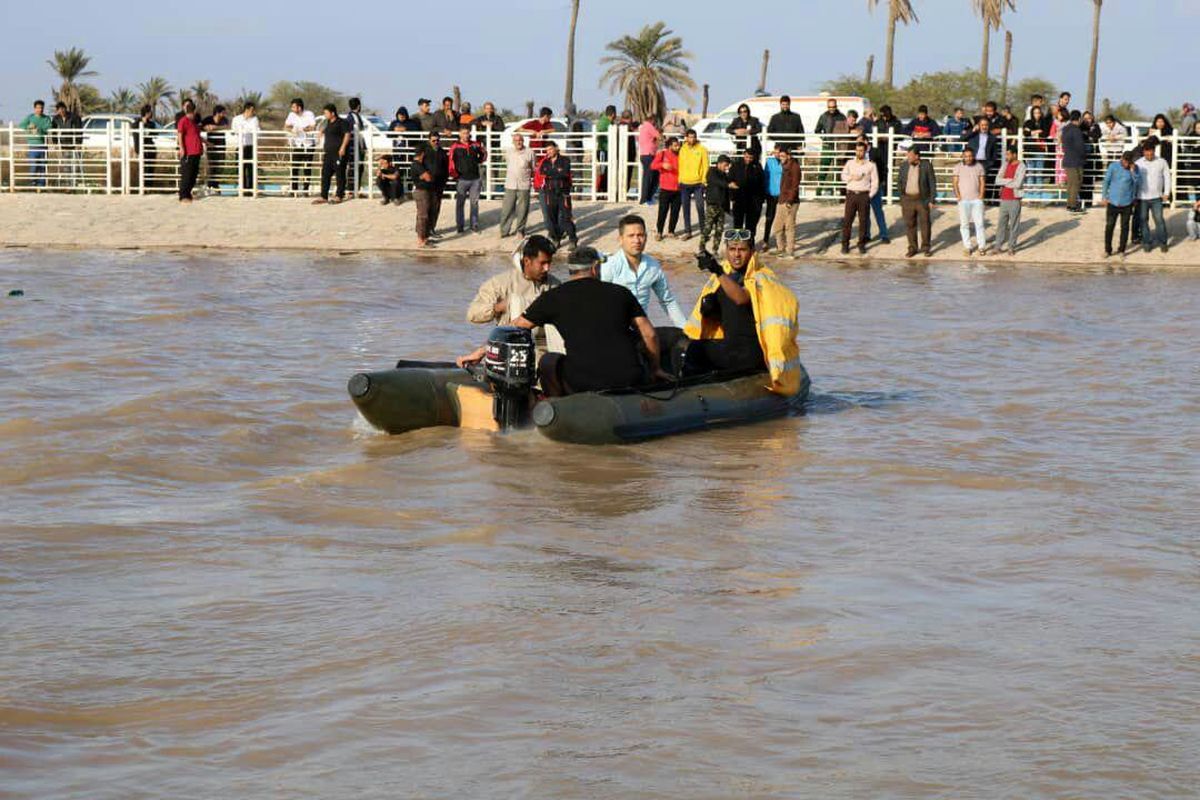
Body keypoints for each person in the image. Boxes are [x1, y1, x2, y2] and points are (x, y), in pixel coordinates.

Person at [459, 247, 667, 397]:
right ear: (595, 268)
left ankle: (557, 406)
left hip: (583, 382)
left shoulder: (553, 297)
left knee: (549, 361)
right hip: (629, 377)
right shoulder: (621, 293)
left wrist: (478, 354)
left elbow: (514, 330)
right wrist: (655, 368)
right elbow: (649, 334)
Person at [683, 233, 803, 398]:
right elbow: (718, 313)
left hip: (750, 352)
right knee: (693, 345)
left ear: (752, 252)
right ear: (726, 251)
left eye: (742, 250)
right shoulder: (724, 277)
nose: (736, 255)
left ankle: (691, 395)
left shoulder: (759, 278)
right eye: (732, 249)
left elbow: (740, 298)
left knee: (695, 350)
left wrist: (716, 269)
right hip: (732, 347)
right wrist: (709, 306)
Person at [467, 234, 563, 359]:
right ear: (527, 261)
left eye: (549, 263)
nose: (547, 268)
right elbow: (473, 314)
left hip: (546, 352)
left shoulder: (555, 285)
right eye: (543, 263)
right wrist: (498, 307)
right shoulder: (500, 283)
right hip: (509, 350)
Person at [600, 214, 689, 328]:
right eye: (631, 236)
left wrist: (685, 329)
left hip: (643, 330)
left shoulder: (653, 266)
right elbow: (598, 302)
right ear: (620, 239)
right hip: (615, 329)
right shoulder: (609, 266)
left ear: (646, 237)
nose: (637, 240)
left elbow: (667, 301)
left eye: (640, 235)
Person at [537, 141, 577, 251]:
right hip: (550, 193)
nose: (548, 152)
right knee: (551, 219)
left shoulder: (565, 160)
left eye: (550, 149)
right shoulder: (545, 162)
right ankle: (556, 239)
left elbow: (564, 173)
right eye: (547, 150)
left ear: (556, 148)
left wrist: (551, 173)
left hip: (563, 193)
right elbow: (542, 172)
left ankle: (573, 239)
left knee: (566, 218)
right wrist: (556, 172)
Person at [897, 146, 936, 257]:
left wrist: (932, 199)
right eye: (907, 155)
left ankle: (926, 247)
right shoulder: (904, 165)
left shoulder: (926, 165)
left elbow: (932, 183)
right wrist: (902, 197)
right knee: (910, 225)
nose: (908, 157)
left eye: (910, 155)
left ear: (917, 156)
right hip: (907, 199)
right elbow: (899, 181)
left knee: (925, 224)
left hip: (922, 199)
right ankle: (912, 248)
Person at [840, 140, 878, 254]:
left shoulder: (871, 165)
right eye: (857, 150)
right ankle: (845, 245)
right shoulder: (850, 163)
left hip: (863, 195)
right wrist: (851, 177)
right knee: (847, 221)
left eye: (861, 151)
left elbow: (875, 182)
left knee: (863, 222)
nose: (859, 153)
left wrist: (869, 195)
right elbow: (843, 176)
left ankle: (861, 244)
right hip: (851, 194)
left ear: (865, 151)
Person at [411, 131, 448, 245]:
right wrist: (425, 174)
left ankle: (428, 232)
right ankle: (422, 238)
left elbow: (445, 168)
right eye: (433, 140)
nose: (436, 142)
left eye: (437, 140)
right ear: (429, 140)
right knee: (424, 213)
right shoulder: (423, 153)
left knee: (433, 210)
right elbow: (418, 168)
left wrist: (444, 181)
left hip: (437, 186)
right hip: (424, 188)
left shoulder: (442, 152)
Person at [1100, 151, 1140, 257]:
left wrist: (1132, 171)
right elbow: (1106, 181)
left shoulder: (1135, 168)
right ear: (1122, 159)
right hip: (1113, 201)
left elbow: (1137, 182)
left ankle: (1122, 250)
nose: (1126, 164)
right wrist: (1104, 196)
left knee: (1125, 227)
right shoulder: (1113, 166)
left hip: (1127, 202)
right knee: (1109, 226)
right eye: (1124, 161)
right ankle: (1107, 250)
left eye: (1128, 162)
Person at [1135, 140, 1171, 253]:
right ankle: (1146, 242)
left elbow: (1167, 178)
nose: (1149, 156)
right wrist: (1134, 195)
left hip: (1157, 197)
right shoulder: (1138, 163)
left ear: (1154, 151)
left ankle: (1163, 242)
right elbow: (1134, 180)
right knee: (1143, 220)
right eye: (1147, 154)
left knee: (1159, 220)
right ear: (1143, 152)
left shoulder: (1162, 162)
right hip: (1142, 197)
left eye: (1151, 154)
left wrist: (1166, 193)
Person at [449, 126, 486, 234]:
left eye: (467, 133)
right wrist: (455, 175)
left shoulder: (475, 144)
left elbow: (484, 154)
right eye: (464, 133)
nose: (466, 135)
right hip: (462, 179)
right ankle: (460, 226)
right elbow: (451, 162)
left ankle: (474, 225)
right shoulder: (455, 146)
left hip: (475, 179)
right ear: (460, 134)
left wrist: (479, 160)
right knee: (460, 203)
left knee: (474, 203)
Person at [992, 144, 1027, 256]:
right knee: (1001, 224)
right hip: (1004, 198)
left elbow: (1018, 183)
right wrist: (1010, 180)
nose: (1006, 156)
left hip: (1015, 199)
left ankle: (1011, 247)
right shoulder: (1005, 165)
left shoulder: (1022, 166)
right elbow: (997, 180)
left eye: (1008, 154)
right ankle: (998, 246)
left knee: (1014, 225)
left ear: (1014, 154)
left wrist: (1005, 181)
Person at [952, 147, 988, 255]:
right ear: (963, 156)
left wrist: (981, 196)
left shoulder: (979, 166)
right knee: (964, 225)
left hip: (976, 200)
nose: (968, 158)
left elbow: (982, 182)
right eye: (966, 156)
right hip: (964, 200)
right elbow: (955, 182)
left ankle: (981, 247)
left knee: (979, 224)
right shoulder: (958, 167)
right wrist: (958, 196)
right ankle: (967, 247)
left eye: (970, 156)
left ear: (973, 156)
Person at [499, 133, 535, 238]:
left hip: (524, 184)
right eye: (516, 140)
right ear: (513, 142)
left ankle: (520, 230)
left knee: (523, 209)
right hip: (510, 184)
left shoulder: (530, 152)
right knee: (507, 208)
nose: (518, 142)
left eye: (520, 140)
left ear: (523, 141)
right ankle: (504, 231)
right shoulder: (509, 152)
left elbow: (533, 168)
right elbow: (508, 164)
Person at [315, 103, 351, 205]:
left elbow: (347, 134)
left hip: (338, 153)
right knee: (325, 174)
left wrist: (343, 147)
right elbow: (326, 131)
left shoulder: (342, 122)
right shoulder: (328, 123)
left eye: (326, 113)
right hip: (328, 153)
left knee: (340, 174)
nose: (325, 115)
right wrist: (321, 132)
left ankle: (339, 195)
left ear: (333, 113)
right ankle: (323, 196)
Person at [677, 129, 710, 241]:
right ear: (686, 138)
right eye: (690, 137)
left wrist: (704, 181)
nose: (692, 139)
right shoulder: (682, 149)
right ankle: (688, 232)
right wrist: (680, 179)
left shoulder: (702, 149)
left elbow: (706, 166)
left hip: (698, 184)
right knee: (686, 209)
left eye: (694, 137)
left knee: (700, 207)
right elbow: (680, 165)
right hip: (684, 184)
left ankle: (703, 231)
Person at [771, 144, 802, 258]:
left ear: (789, 156)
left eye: (783, 156)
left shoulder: (794, 167)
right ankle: (780, 248)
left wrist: (790, 200)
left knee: (789, 226)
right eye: (780, 156)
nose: (781, 158)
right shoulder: (785, 165)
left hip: (790, 201)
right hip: (782, 199)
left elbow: (795, 185)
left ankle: (790, 251)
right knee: (777, 226)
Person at [730, 147, 765, 246]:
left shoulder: (757, 166)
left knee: (751, 225)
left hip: (753, 201)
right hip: (739, 199)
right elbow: (730, 181)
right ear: (743, 155)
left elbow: (762, 184)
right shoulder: (736, 165)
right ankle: (737, 244)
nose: (748, 159)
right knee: (737, 224)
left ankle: (750, 245)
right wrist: (732, 198)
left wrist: (760, 200)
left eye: (750, 157)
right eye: (746, 157)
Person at [700, 155, 735, 254]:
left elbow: (727, 190)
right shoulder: (712, 171)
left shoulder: (725, 175)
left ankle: (715, 249)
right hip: (712, 204)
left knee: (719, 229)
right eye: (725, 165)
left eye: (728, 166)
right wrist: (728, 184)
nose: (726, 167)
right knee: (708, 228)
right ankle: (702, 248)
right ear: (719, 163)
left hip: (721, 206)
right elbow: (717, 182)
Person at [962, 116, 1001, 202]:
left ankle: (980, 201)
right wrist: (972, 130)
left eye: (986, 125)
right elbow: (962, 138)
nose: (984, 127)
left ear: (988, 126)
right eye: (982, 125)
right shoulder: (973, 135)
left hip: (985, 163)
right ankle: (970, 200)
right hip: (972, 161)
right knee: (971, 182)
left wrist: (990, 163)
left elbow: (994, 153)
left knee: (982, 183)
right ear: (979, 125)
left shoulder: (992, 138)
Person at [650, 136, 682, 239]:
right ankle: (659, 232)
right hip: (665, 188)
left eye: (678, 145)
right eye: (675, 145)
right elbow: (652, 166)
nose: (678, 147)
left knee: (675, 211)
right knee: (663, 211)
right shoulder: (662, 154)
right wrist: (662, 165)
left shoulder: (681, 155)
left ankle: (671, 231)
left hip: (679, 188)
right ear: (669, 146)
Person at [860, 134, 890, 245]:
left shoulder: (876, 152)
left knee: (878, 211)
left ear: (866, 141)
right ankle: (867, 235)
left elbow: (883, 167)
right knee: (865, 212)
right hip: (863, 186)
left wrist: (881, 181)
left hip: (875, 185)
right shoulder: (859, 153)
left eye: (861, 142)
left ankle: (884, 235)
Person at [815, 98, 848, 195]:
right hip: (827, 146)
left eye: (833, 107)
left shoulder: (842, 117)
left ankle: (839, 192)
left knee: (838, 169)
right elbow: (817, 130)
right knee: (823, 168)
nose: (831, 109)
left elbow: (846, 130)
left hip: (839, 146)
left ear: (836, 106)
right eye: (830, 107)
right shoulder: (823, 116)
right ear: (827, 107)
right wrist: (824, 139)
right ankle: (819, 192)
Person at [285, 98, 317, 195]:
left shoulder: (309, 114)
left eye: (294, 107)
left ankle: (305, 190)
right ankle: (294, 190)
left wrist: (303, 129)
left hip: (308, 144)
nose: (292, 109)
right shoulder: (291, 115)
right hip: (297, 143)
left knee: (307, 168)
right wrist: (293, 129)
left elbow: (313, 126)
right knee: (294, 167)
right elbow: (286, 126)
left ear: (299, 107)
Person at [175, 99, 204, 202]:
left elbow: (197, 136)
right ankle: (183, 196)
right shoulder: (183, 121)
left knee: (193, 175)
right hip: (188, 153)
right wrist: (182, 148)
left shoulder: (194, 123)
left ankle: (188, 194)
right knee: (187, 175)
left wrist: (206, 143)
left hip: (197, 152)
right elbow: (180, 134)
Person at [49, 101, 82, 188]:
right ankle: (69, 183)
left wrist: (78, 143)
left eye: (63, 109)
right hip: (64, 143)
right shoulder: (56, 118)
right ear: (57, 111)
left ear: (65, 109)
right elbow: (54, 131)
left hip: (74, 143)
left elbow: (79, 130)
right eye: (59, 110)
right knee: (66, 164)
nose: (61, 111)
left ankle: (75, 182)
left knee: (75, 164)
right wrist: (55, 142)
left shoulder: (74, 117)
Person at [19, 100, 52, 188]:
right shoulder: (30, 117)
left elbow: (49, 127)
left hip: (43, 144)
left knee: (43, 165)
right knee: (33, 165)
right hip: (33, 145)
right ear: (34, 108)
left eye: (41, 108)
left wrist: (39, 129)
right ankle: (33, 182)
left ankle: (41, 184)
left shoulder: (46, 118)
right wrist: (29, 127)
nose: (40, 109)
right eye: (38, 108)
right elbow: (21, 125)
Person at [230, 102, 260, 193]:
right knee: (240, 168)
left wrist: (247, 131)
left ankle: (250, 189)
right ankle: (241, 188)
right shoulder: (236, 119)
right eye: (252, 110)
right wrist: (245, 131)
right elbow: (234, 130)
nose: (253, 112)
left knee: (251, 168)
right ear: (247, 109)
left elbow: (257, 130)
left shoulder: (255, 119)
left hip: (251, 146)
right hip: (240, 146)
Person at [1061, 110, 1088, 212]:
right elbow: (1080, 146)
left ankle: (1070, 204)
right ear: (1079, 119)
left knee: (1071, 184)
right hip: (1076, 161)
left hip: (1067, 159)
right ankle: (1073, 206)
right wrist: (1084, 156)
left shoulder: (1065, 129)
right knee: (1076, 183)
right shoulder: (1076, 130)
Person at [200, 104, 229, 190]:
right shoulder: (208, 119)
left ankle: (215, 184)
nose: (224, 114)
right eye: (223, 112)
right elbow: (200, 127)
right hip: (211, 144)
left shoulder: (224, 120)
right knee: (212, 164)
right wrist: (206, 127)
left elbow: (227, 127)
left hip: (221, 145)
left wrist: (216, 127)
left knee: (220, 165)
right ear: (217, 113)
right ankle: (211, 185)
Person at [761, 147, 783, 252]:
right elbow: (765, 176)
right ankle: (765, 241)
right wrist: (764, 191)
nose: (777, 154)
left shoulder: (785, 162)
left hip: (782, 195)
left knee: (781, 220)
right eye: (775, 152)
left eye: (779, 152)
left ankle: (780, 243)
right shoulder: (769, 162)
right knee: (769, 218)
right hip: (771, 194)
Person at [1023, 105, 1051, 183]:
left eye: (1038, 113)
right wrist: (1037, 131)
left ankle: (1038, 192)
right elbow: (1025, 133)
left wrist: (1032, 133)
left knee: (1039, 173)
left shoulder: (1044, 123)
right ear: (1032, 113)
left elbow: (1045, 134)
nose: (1037, 115)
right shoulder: (1028, 122)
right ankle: (1030, 192)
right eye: (1035, 113)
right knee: (1030, 172)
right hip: (1029, 150)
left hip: (1040, 149)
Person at [345, 97, 367, 194]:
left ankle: (356, 189)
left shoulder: (355, 116)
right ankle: (351, 189)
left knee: (359, 167)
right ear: (358, 106)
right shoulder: (352, 117)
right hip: (354, 147)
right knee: (353, 167)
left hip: (358, 146)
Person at [133, 104, 159, 187]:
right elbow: (136, 137)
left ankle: (149, 186)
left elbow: (155, 134)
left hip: (150, 148)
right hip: (141, 149)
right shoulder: (136, 123)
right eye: (150, 112)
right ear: (146, 113)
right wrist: (137, 150)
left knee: (150, 168)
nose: (151, 113)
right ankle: (142, 186)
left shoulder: (151, 124)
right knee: (142, 168)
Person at [636, 115, 660, 204]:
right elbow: (658, 136)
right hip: (649, 154)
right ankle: (646, 198)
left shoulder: (642, 127)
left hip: (644, 154)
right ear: (652, 120)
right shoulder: (649, 126)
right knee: (650, 177)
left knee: (648, 177)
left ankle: (646, 197)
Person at [594, 105, 617, 193]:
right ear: (613, 114)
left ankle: (604, 191)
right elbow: (599, 132)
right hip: (603, 150)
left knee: (607, 171)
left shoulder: (608, 121)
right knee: (603, 172)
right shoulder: (604, 122)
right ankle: (601, 191)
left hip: (607, 150)